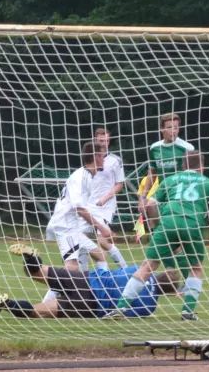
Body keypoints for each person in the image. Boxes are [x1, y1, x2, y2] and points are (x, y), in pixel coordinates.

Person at [105, 151, 209, 321]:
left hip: (168, 224)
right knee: (196, 268)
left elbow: (149, 205)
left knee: (147, 267)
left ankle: (121, 307)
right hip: (192, 225)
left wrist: (157, 225)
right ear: (201, 166)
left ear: (183, 166)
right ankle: (187, 311)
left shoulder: (170, 180)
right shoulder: (208, 182)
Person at [0, 244, 179, 319]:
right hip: (90, 305)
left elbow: (151, 259)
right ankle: (7, 304)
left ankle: (32, 258)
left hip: (86, 279)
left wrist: (172, 248)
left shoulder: (139, 270)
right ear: (169, 293)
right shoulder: (150, 307)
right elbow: (121, 314)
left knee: (36, 272)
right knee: (36, 311)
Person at [43, 142, 112, 302]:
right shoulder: (79, 177)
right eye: (103, 156)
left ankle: (103, 294)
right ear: (96, 157)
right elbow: (79, 209)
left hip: (72, 227)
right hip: (64, 226)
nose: (104, 160)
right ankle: (45, 303)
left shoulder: (88, 176)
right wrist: (101, 228)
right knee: (71, 268)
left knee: (100, 255)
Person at [81, 128, 127, 271]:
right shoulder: (90, 158)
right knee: (81, 238)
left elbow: (120, 184)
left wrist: (106, 197)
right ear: (95, 140)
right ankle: (83, 275)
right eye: (101, 141)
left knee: (102, 240)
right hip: (90, 203)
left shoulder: (115, 160)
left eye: (107, 140)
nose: (104, 144)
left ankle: (125, 270)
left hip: (106, 206)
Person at [138, 113, 194, 220]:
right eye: (169, 127)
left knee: (174, 221)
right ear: (162, 129)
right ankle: (159, 231)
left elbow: (195, 174)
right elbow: (152, 173)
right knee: (149, 206)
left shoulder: (187, 148)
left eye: (176, 128)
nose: (173, 131)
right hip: (163, 189)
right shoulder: (155, 148)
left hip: (181, 191)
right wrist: (143, 197)